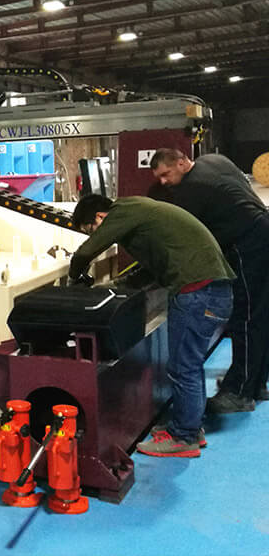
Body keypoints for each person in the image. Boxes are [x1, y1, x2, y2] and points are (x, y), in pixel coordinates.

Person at [70, 194, 234, 457]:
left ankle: (183, 438)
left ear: (100, 217)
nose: (94, 234)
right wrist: (113, 286)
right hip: (210, 292)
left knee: (183, 367)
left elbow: (87, 251)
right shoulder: (141, 214)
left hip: (197, 294)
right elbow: (150, 272)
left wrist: (74, 277)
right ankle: (190, 427)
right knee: (189, 366)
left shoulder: (122, 210)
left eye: (90, 229)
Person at [151, 149, 269, 412]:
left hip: (247, 245)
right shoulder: (213, 160)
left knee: (245, 318)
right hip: (263, 230)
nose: (164, 182)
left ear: (181, 163)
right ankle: (255, 384)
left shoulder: (191, 190)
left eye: (166, 174)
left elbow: (182, 237)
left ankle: (239, 393)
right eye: (159, 178)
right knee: (260, 315)